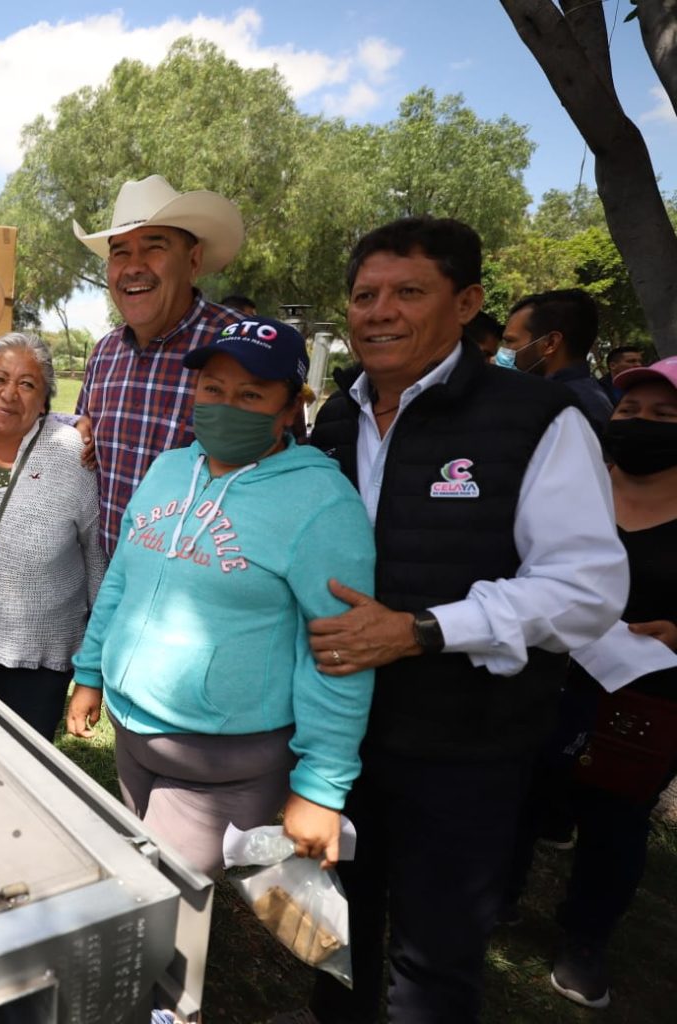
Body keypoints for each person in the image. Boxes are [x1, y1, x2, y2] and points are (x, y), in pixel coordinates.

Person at [285, 217, 627, 1024]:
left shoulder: (537, 418)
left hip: (465, 748)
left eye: (408, 292)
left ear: (467, 303)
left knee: (435, 961)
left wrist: (424, 629)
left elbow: (588, 588)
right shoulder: (336, 420)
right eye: (364, 295)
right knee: (331, 931)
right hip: (338, 736)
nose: (379, 312)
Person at [67, 316, 376, 876]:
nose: (225, 405)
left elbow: (339, 651)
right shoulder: (169, 468)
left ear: (292, 407)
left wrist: (321, 784)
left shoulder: (322, 503)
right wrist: (90, 673)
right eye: (212, 388)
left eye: (250, 394)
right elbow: (122, 580)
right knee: (145, 880)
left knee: (149, 891)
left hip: (225, 759)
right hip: (132, 733)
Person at [506, 355, 677, 1010]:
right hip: (548, 675)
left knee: (615, 820)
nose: (640, 423)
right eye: (630, 409)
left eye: (664, 415)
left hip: (645, 696)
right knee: (522, 789)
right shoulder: (573, 490)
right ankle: (500, 894)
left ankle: (585, 936)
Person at [0, 333, 105, 738]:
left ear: (44, 401)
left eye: (27, 384)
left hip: (39, 662)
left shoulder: (72, 454)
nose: (9, 394)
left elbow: (97, 560)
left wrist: (93, 667)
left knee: (22, 762)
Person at [72, 175, 245, 555]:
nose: (134, 267)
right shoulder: (104, 355)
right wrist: (77, 433)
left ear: (193, 260)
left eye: (154, 247)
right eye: (120, 253)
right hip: (109, 581)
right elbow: (83, 442)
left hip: (197, 584)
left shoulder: (239, 346)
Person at [497, 288, 613, 432]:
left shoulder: (561, 408)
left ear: (550, 343)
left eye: (510, 341)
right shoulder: (587, 397)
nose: (503, 351)